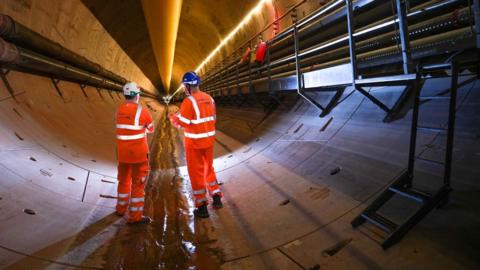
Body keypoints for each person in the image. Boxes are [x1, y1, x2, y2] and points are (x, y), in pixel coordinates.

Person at [169, 71, 223, 218]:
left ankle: (202, 208)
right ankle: (217, 198)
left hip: (194, 144)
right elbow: (213, 118)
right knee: (209, 169)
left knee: (196, 174)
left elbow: (183, 122)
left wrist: (173, 118)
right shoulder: (210, 99)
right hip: (209, 142)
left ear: (187, 86)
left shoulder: (189, 101)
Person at [115, 82, 154, 224]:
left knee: (123, 181)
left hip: (123, 155)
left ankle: (120, 209)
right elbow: (151, 128)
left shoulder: (119, 110)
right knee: (138, 184)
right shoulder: (142, 111)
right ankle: (135, 217)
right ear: (136, 95)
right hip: (138, 156)